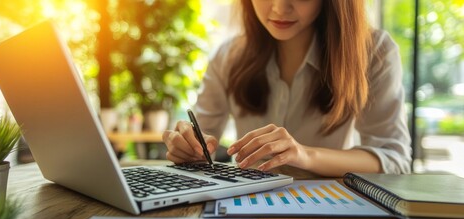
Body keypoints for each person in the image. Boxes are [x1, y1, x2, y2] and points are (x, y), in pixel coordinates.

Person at [162, 0, 411, 177]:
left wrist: (304, 155)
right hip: (246, 204)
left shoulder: (373, 52)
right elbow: (203, 141)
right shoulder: (228, 56)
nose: (280, 7)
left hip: (326, 208)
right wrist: (190, 149)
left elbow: (393, 158)